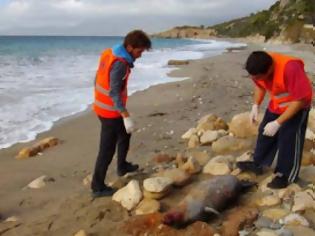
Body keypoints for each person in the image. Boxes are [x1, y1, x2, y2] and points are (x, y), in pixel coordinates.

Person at [237, 51, 313, 189]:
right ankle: (259, 164)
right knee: (264, 132)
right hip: (277, 105)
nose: (257, 79)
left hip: (297, 107)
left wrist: (279, 122)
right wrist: (256, 105)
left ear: (270, 68)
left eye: (260, 77)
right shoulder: (257, 66)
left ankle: (286, 175)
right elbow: (260, 86)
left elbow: (301, 100)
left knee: (289, 138)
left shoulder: (291, 68)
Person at [91, 30, 152, 197]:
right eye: (139, 51)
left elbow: (97, 77)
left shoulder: (110, 53)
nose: (140, 56)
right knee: (106, 149)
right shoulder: (120, 64)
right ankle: (97, 187)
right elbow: (114, 92)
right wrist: (125, 115)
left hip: (103, 106)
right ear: (130, 47)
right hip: (109, 111)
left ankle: (122, 166)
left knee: (125, 134)